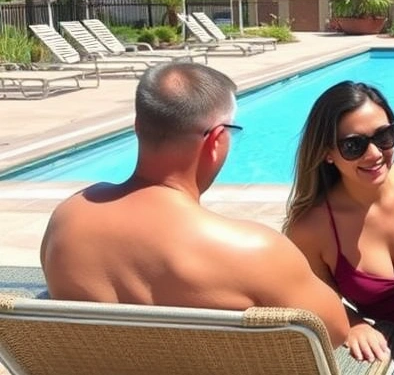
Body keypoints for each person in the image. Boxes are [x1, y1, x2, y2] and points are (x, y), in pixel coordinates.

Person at [39, 62, 351, 347]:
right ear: (216, 140)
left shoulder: (67, 220)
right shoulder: (253, 250)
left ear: (138, 126)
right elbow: (333, 332)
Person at [284, 80, 394, 363]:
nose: (374, 154)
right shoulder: (311, 228)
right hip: (393, 346)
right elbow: (314, 297)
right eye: (353, 145)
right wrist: (353, 323)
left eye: (384, 136)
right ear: (327, 153)